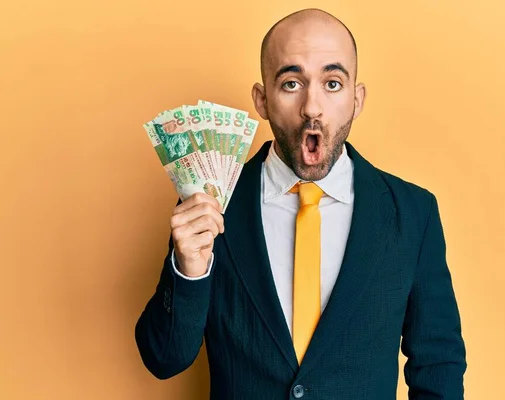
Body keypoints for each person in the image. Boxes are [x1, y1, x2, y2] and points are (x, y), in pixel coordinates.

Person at [135, 8, 467, 399]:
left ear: (357, 100)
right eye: (292, 83)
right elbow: (164, 359)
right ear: (262, 100)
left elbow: (438, 364)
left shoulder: (413, 214)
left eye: (332, 83)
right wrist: (188, 270)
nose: (312, 107)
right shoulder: (210, 202)